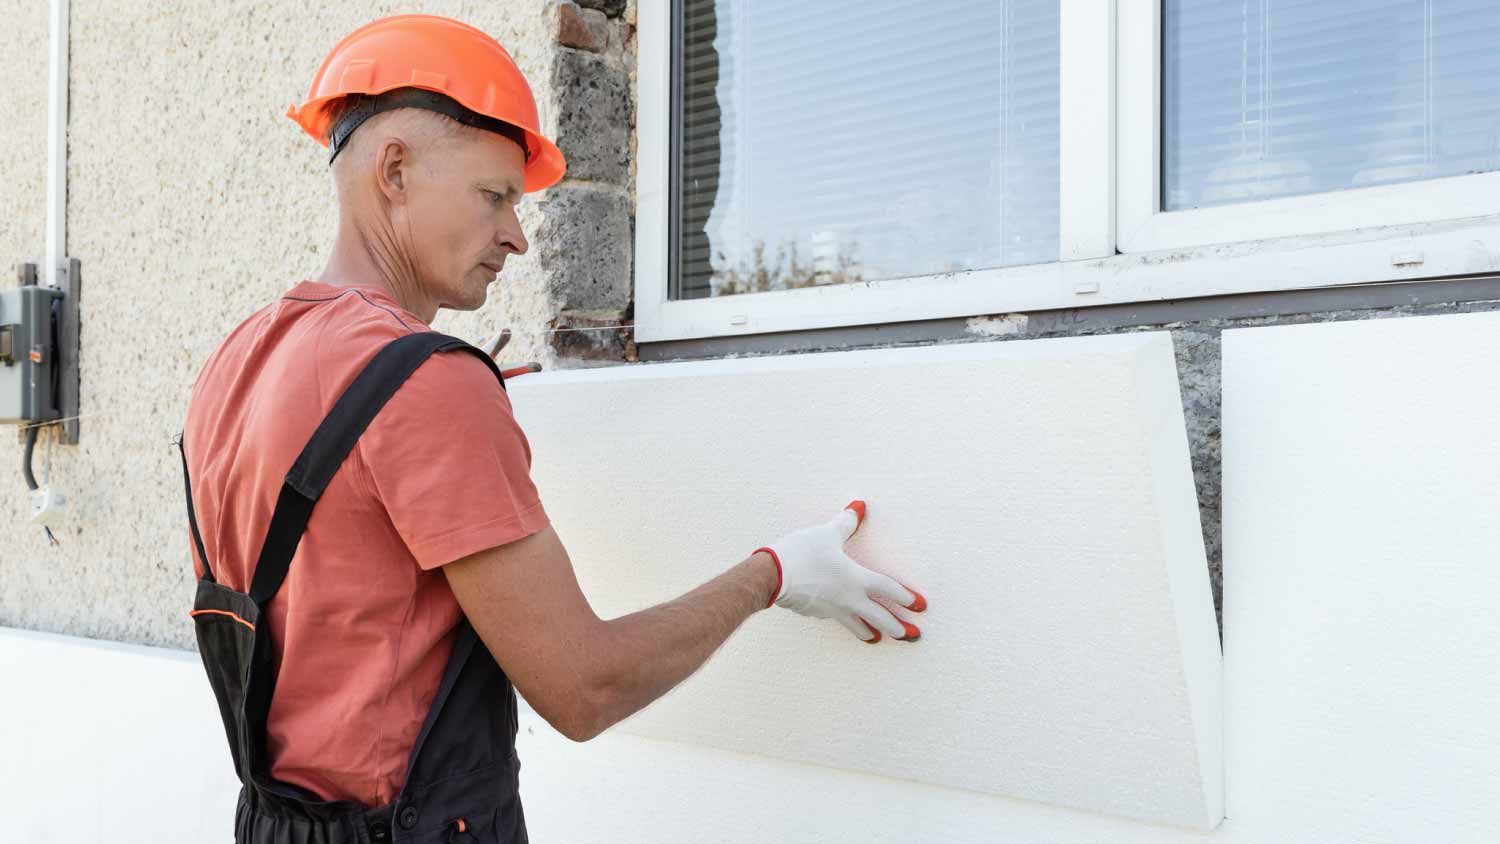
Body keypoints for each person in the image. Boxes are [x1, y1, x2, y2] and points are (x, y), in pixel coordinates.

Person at [179, 14, 926, 843]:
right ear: (394, 169)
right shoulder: (424, 384)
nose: (518, 237)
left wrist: (457, 426)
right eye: (494, 194)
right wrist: (775, 574)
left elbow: (339, 562)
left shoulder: (236, 362)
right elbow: (584, 688)